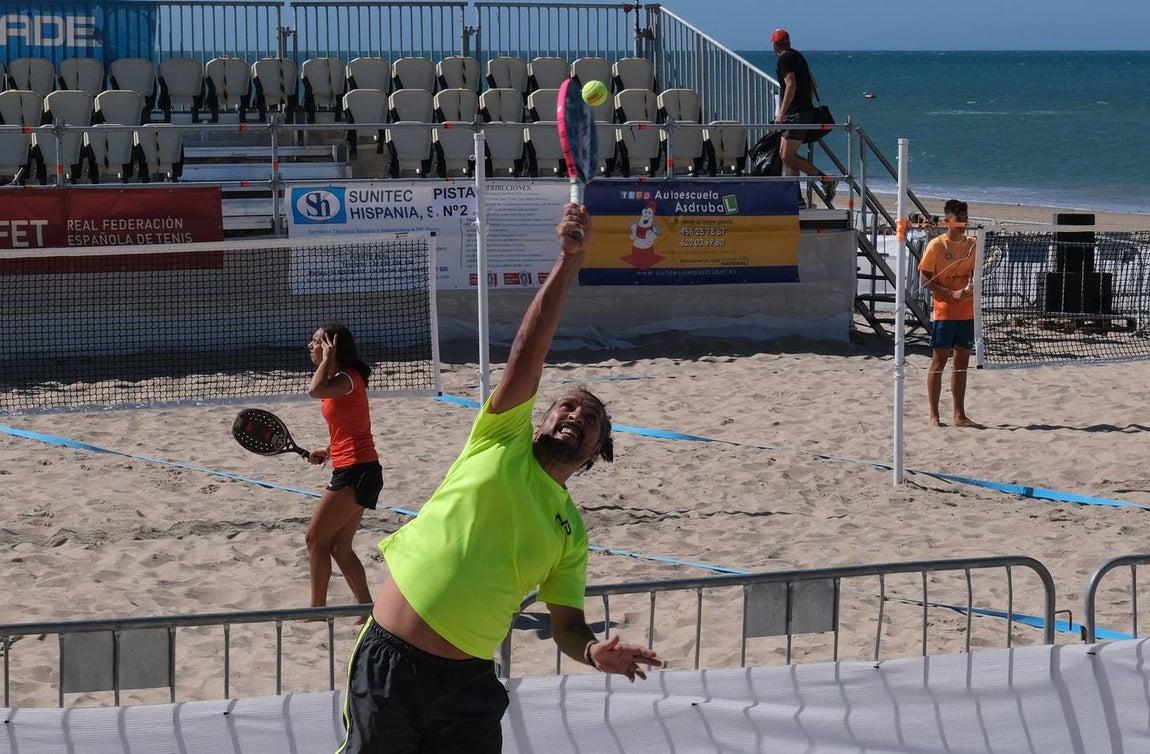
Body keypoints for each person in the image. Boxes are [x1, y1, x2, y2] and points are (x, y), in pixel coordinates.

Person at [337, 204, 662, 754]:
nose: (574, 417)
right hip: (391, 663)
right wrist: (568, 262)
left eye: (589, 420)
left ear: (595, 453)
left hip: (466, 689)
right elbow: (527, 354)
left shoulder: (572, 533)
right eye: (567, 406)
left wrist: (590, 653)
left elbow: (566, 624)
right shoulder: (500, 438)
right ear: (541, 418)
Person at [304, 322, 381, 613]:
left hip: (358, 471)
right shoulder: (341, 378)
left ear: (331, 347)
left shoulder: (347, 378)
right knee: (339, 546)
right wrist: (329, 450)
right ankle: (366, 610)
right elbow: (351, 426)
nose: (310, 347)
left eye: (315, 342)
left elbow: (314, 391)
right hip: (357, 466)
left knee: (314, 538)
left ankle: (315, 613)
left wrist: (325, 360)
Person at [917, 199, 977, 427]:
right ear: (947, 221)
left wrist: (969, 288)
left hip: (967, 312)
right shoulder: (936, 245)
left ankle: (959, 415)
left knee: (962, 363)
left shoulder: (972, 244)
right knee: (939, 361)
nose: (963, 223)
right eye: (958, 219)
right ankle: (934, 415)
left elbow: (974, 274)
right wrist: (950, 294)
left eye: (965, 219)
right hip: (944, 312)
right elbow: (924, 281)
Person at [770, 28, 836, 208]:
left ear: (775, 45)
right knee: (786, 156)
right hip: (803, 111)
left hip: (795, 114)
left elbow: (790, 84)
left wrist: (782, 113)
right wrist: (806, 103)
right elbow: (813, 84)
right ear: (788, 43)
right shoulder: (799, 57)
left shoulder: (784, 59)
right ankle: (796, 198)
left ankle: (826, 180)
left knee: (787, 154)